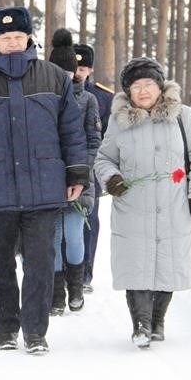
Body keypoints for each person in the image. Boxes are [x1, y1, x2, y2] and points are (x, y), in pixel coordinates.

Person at [0, 6, 89, 354]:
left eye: (18, 37)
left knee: (40, 265)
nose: (12, 43)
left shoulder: (53, 77)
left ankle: (36, 332)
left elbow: (72, 131)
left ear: (28, 38)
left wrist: (76, 172)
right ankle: (6, 329)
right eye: (5, 37)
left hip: (44, 187)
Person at [93, 57, 191, 348]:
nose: (143, 91)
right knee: (137, 266)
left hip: (173, 204)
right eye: (136, 86)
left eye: (148, 84)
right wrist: (111, 179)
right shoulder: (118, 121)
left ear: (160, 87)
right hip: (133, 207)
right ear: (128, 92)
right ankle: (141, 325)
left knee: (167, 267)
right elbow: (103, 158)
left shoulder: (183, 116)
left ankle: (157, 321)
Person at [47, 29, 101, 316]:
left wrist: (81, 172)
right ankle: (56, 293)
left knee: (74, 233)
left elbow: (93, 141)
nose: (65, 78)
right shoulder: (41, 96)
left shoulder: (87, 100)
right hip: (48, 181)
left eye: (70, 73)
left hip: (79, 180)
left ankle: (76, 287)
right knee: (53, 237)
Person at [73, 43, 114, 293]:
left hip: (91, 168)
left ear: (90, 69)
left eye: (82, 67)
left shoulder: (104, 97)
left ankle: (85, 273)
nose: (78, 72)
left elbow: (109, 136)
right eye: (74, 67)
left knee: (89, 219)